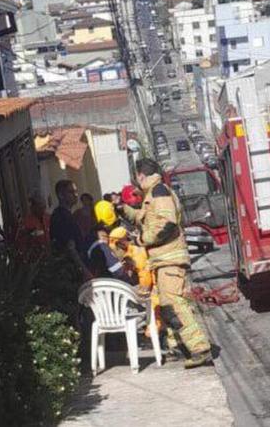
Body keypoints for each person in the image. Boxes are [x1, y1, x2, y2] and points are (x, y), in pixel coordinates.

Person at [115, 158, 212, 369]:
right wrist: (123, 209)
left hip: (170, 259)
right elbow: (144, 218)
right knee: (168, 305)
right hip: (162, 261)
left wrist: (141, 240)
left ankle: (200, 349)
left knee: (174, 304)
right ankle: (181, 346)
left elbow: (166, 225)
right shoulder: (153, 194)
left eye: (136, 176)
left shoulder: (159, 192)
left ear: (141, 175)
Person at [50, 179, 93, 281]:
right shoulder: (61, 216)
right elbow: (70, 247)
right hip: (71, 272)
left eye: (76, 191)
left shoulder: (69, 215)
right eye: (71, 192)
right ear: (61, 195)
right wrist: (84, 271)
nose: (76, 195)